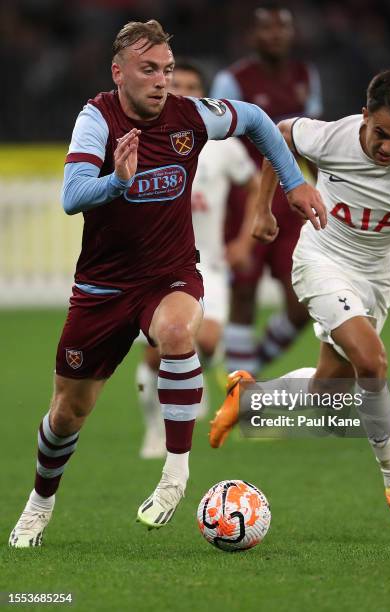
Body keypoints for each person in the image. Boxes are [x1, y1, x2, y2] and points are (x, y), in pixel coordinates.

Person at [9, 19, 325, 547]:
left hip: (170, 275)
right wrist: (118, 181)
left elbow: (257, 119)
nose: (162, 81)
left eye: (169, 70)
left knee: (181, 333)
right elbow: (71, 196)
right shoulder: (96, 119)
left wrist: (293, 182)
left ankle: (175, 476)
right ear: (119, 73)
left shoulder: (191, 116)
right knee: (67, 415)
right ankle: (40, 503)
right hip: (103, 286)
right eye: (149, 70)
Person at [209, 69, 390, 523]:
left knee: (327, 392)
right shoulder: (331, 137)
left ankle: (250, 399)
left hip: (376, 278)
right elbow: (279, 135)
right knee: (372, 363)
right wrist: (263, 211)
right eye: (381, 133)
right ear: (364, 116)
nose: (389, 146)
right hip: (322, 258)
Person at [136, 61, 260, 459]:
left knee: (204, 339)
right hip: (156, 265)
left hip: (208, 264)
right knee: (156, 354)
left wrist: (244, 239)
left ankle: (196, 378)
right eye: (178, 85)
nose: (185, 92)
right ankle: (154, 429)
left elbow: (256, 185)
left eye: (193, 86)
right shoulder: (144, 139)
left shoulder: (223, 144)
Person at [210, 3, 323, 376]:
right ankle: (242, 400)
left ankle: (248, 368)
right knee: (243, 293)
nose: (275, 35)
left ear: (292, 33)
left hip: (293, 201)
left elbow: (315, 142)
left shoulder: (306, 75)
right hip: (246, 198)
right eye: (267, 29)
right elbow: (216, 143)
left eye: (282, 28)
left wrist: (323, 189)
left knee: (302, 302)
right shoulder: (233, 81)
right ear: (253, 35)